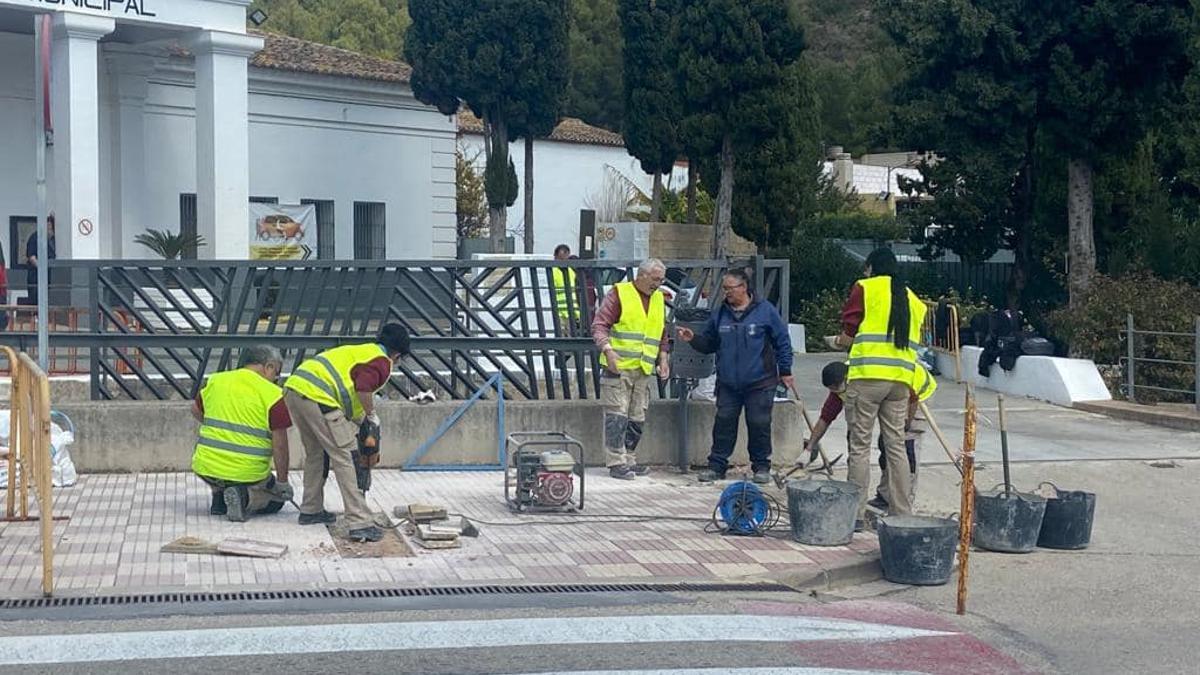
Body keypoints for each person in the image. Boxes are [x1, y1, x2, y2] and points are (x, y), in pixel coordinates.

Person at [283, 323, 411, 542]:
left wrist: (362, 420)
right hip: (319, 396)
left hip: (295, 389)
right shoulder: (382, 362)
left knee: (317, 454)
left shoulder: (361, 351)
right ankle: (360, 522)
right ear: (397, 354)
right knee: (347, 458)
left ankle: (311, 510)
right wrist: (371, 415)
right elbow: (363, 387)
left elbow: (347, 394)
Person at [834, 247, 927, 528]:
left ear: (872, 267)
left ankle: (856, 515)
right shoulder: (912, 299)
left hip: (868, 378)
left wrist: (842, 340)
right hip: (901, 381)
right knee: (896, 445)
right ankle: (902, 514)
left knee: (860, 446)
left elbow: (851, 328)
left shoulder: (865, 287)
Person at [677, 269, 793, 484]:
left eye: (730, 288)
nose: (726, 293)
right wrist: (693, 339)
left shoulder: (765, 311)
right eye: (725, 288)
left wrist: (785, 370)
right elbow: (710, 344)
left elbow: (783, 343)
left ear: (744, 287)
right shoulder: (720, 314)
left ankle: (761, 467)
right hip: (728, 382)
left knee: (758, 424)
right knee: (723, 422)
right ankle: (717, 466)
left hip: (760, 381)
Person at [805, 360, 937, 511]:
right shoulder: (842, 386)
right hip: (885, 387)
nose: (836, 392)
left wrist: (907, 422)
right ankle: (884, 496)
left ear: (847, 378)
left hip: (915, 390)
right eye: (833, 390)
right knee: (879, 444)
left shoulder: (861, 380)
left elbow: (913, 397)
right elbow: (826, 416)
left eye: (837, 388)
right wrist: (809, 447)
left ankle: (902, 506)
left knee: (903, 445)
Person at [191, 345, 294, 523]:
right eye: (275, 373)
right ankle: (244, 497)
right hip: (248, 472)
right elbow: (280, 445)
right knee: (276, 499)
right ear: (268, 366)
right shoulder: (272, 394)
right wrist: (283, 483)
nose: (276, 379)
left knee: (222, 472)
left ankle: (219, 498)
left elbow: (195, 410)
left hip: (206, 467)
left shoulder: (216, 380)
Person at [591, 258, 670, 480]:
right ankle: (616, 462)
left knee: (637, 416)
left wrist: (663, 357)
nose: (658, 283)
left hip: (643, 368)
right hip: (619, 368)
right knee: (617, 415)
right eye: (655, 279)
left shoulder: (657, 298)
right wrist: (608, 349)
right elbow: (599, 325)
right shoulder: (619, 294)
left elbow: (661, 331)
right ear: (641, 275)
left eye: (661, 279)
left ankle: (629, 459)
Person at [24, 213, 55, 307]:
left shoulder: (52, 241)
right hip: (35, 277)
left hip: (48, 277)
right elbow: (32, 258)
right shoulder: (35, 238)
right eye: (48, 227)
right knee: (35, 301)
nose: (50, 230)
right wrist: (42, 270)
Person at [550, 244, 579, 333]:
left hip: (570, 312)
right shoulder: (553, 270)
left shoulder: (570, 271)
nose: (563, 260)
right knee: (565, 338)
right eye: (561, 258)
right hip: (561, 312)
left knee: (567, 338)